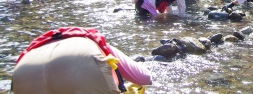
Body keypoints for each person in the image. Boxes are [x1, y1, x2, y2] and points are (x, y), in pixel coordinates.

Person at [12, 26, 152, 94]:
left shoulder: (36, 48)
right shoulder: (91, 41)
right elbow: (144, 78)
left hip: (22, 72)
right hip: (85, 66)